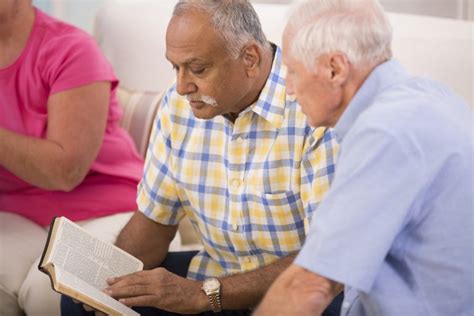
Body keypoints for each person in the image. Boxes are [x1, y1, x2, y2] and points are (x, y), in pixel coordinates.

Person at [61, 0, 341, 315]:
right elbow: (156, 221)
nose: (181, 87)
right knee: (81, 305)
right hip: (215, 279)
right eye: (175, 67)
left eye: (197, 69)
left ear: (249, 58)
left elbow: (328, 258)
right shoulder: (178, 106)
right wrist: (105, 282)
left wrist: (204, 295)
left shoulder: (316, 110)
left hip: (305, 295)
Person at [255, 0, 474, 315]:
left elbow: (309, 286)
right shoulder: (432, 96)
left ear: (336, 69)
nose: (289, 89)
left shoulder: (386, 132)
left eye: (293, 70)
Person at [0, 0, 144, 315]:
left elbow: (65, 171)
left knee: (52, 293)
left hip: (106, 210)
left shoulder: (71, 49)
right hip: (18, 213)